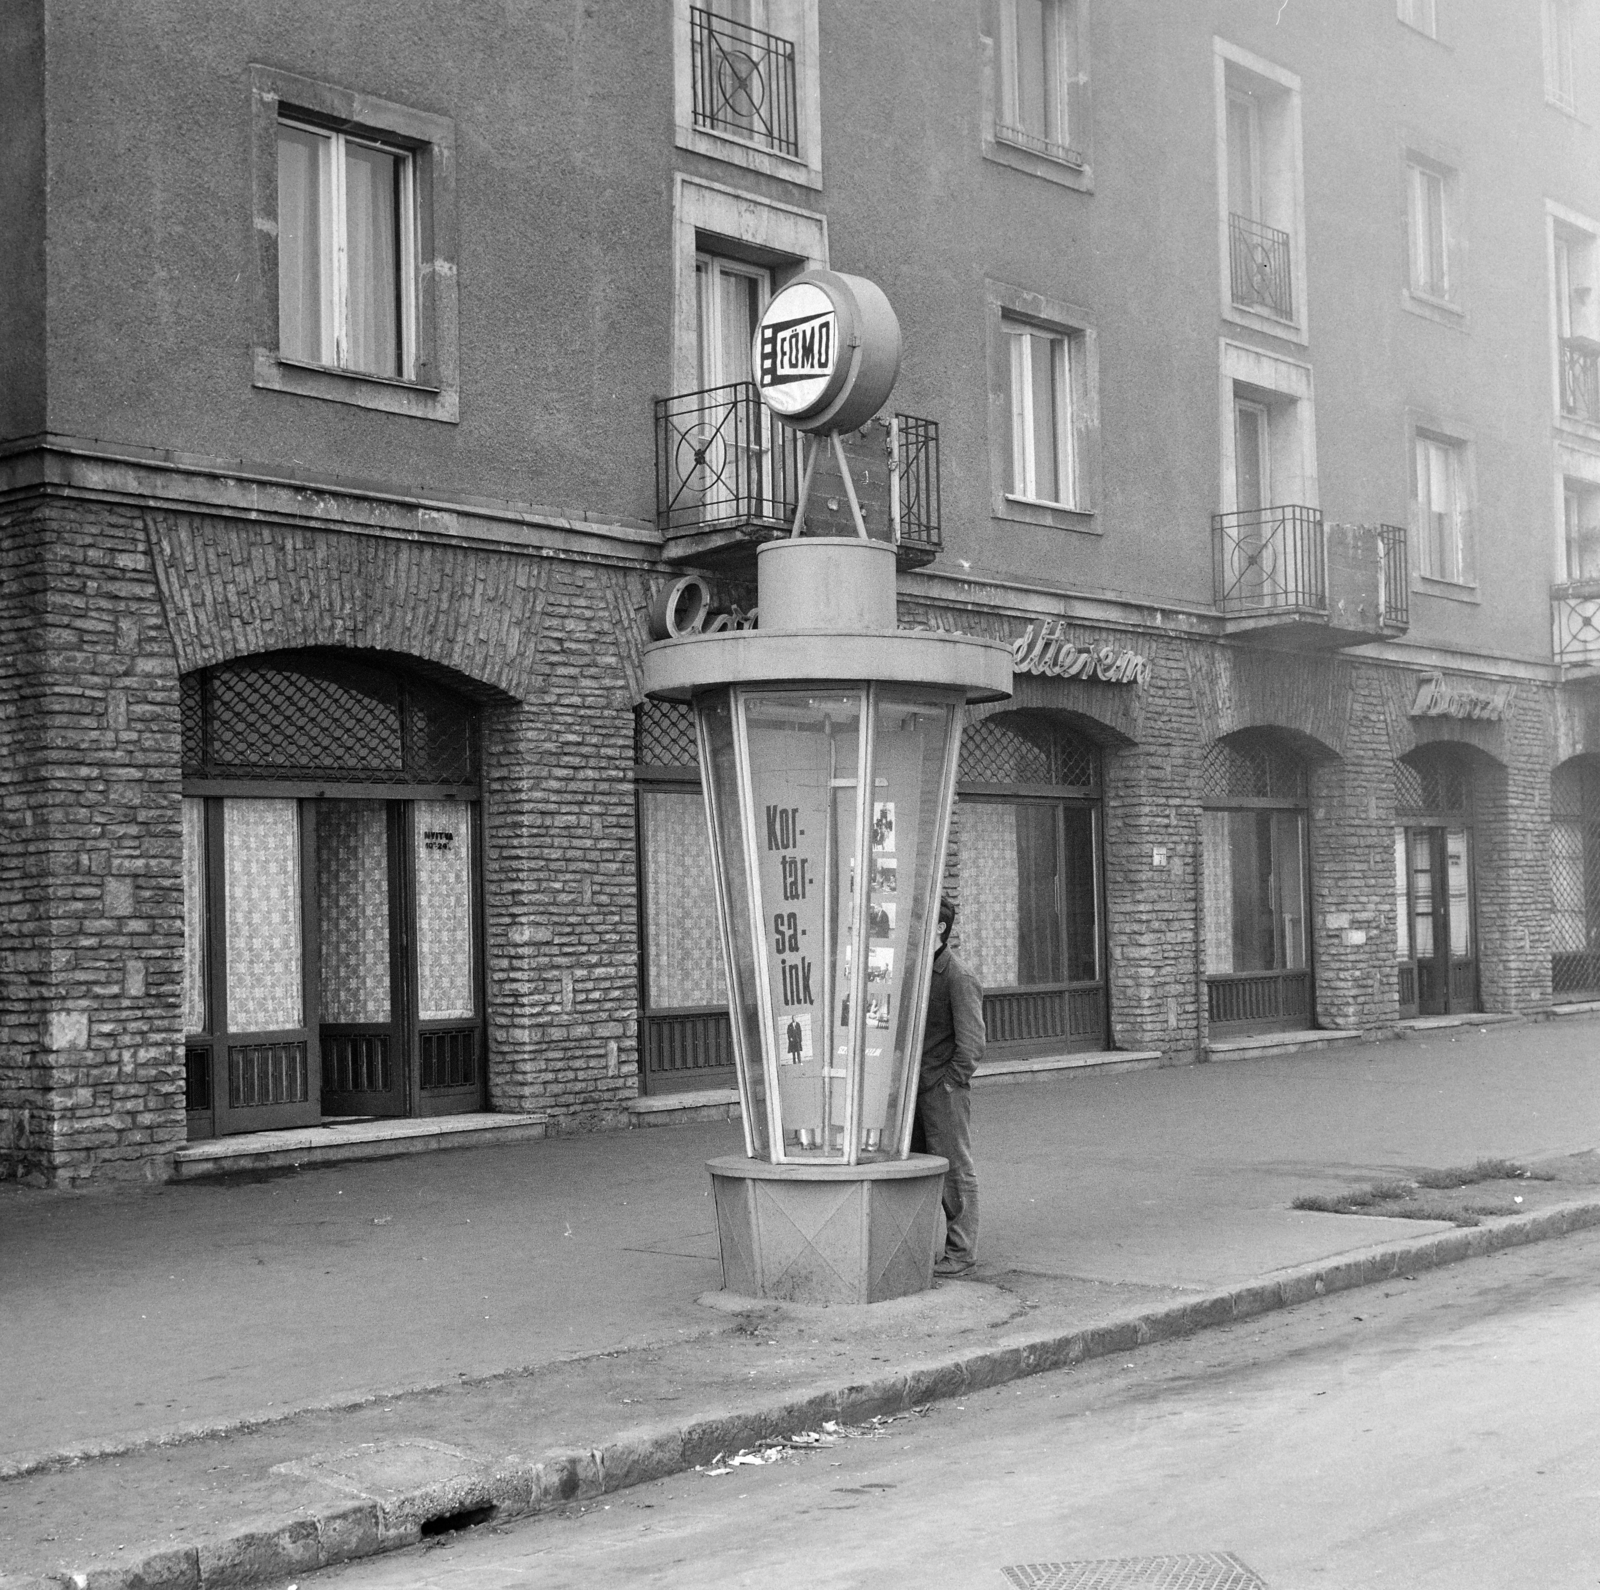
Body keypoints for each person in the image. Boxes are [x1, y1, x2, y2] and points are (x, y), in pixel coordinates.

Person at [912, 895, 985, 1277]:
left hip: (942, 1091)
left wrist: (947, 1085)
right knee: (918, 1169)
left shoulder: (958, 976)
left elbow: (972, 1045)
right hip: (914, 1091)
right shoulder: (914, 971)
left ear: (940, 929)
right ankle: (918, 1247)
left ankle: (961, 1253)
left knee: (955, 1171)